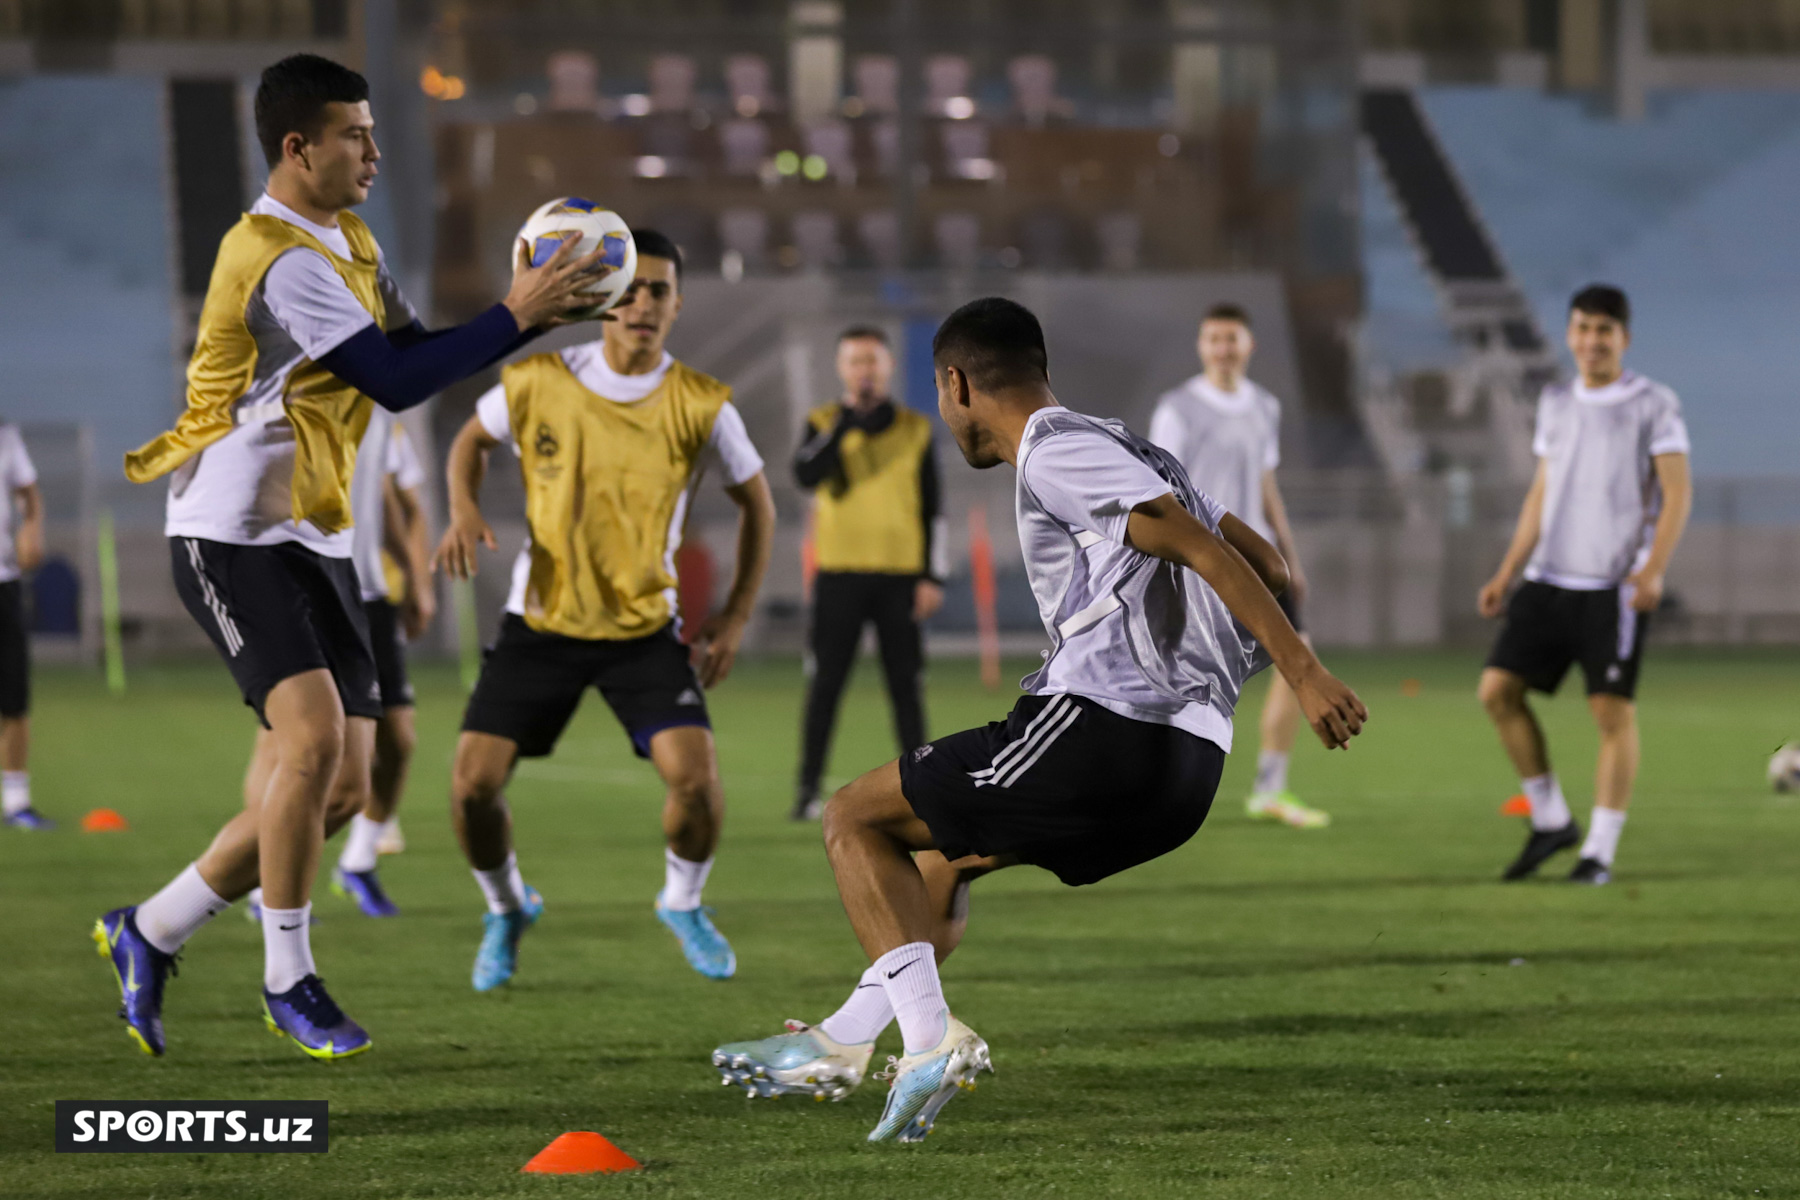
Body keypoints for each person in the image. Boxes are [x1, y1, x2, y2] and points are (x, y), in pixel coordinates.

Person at [711, 298, 1366, 1143]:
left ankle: (926, 1043)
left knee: (854, 819)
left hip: (1109, 730)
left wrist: (1303, 671)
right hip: (1189, 771)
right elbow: (1266, 562)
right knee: (944, 862)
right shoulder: (1139, 447)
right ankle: (842, 1040)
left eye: (944, 398)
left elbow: (1196, 548)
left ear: (954, 384)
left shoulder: (1058, 452)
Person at [93, 53, 607, 1060]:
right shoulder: (279, 256)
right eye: (355, 135)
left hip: (317, 538)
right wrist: (518, 315)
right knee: (314, 743)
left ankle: (148, 929)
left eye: (373, 132)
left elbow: (412, 348)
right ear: (299, 147)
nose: (374, 151)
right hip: (231, 534)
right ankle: (291, 979)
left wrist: (519, 317)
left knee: (337, 789)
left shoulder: (352, 238)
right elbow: (395, 382)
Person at [435, 230, 776, 992]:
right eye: (630, 289)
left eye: (659, 290)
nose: (643, 303)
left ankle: (682, 902)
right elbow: (469, 439)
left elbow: (758, 503)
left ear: (677, 305)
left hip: (642, 630)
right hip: (542, 623)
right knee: (470, 786)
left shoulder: (701, 403)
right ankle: (506, 907)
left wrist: (735, 614)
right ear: (602, 303)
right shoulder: (540, 380)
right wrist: (460, 508)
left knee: (694, 778)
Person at [1478, 284, 1691, 886]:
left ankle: (1598, 850)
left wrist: (1651, 570)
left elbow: (1677, 491)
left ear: (1623, 338)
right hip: (1548, 578)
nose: (1592, 341)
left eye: (1604, 330)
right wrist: (1507, 570)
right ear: (1569, 334)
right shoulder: (1555, 402)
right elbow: (1543, 492)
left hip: (1611, 587)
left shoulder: (1653, 403)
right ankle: (1550, 819)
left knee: (1610, 715)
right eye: (1582, 329)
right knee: (1497, 692)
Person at [240, 409, 432, 921]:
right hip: (303, 586)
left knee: (398, 741)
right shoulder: (289, 392)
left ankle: (358, 860)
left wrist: (413, 576)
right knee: (283, 741)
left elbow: (382, 495)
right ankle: (263, 885)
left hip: (366, 591)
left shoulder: (379, 402)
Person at [1148, 303, 1324, 829]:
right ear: (1202, 347)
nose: (1223, 348)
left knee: (1300, 663)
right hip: (1205, 562)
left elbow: (1267, 485)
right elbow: (1161, 491)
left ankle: (1271, 787)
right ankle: (1152, 785)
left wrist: (1290, 556)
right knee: (1179, 680)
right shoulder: (1177, 408)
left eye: (1232, 338)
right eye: (1214, 339)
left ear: (1248, 345)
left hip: (1262, 562)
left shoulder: (1263, 406)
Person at [790, 326, 947, 821]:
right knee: (825, 686)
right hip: (839, 575)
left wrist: (932, 577)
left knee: (905, 686)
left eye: (873, 361)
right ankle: (807, 790)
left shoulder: (915, 428)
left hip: (900, 578)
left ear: (888, 366)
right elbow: (806, 475)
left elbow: (933, 509)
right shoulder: (822, 422)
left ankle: (922, 789)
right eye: (856, 361)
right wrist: (841, 428)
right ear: (841, 368)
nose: (865, 370)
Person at [0, 423, 47, 830]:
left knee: (14, 696)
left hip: (3, 583)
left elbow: (29, 493)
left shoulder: (6, 434)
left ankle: (16, 802)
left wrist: (32, 528)